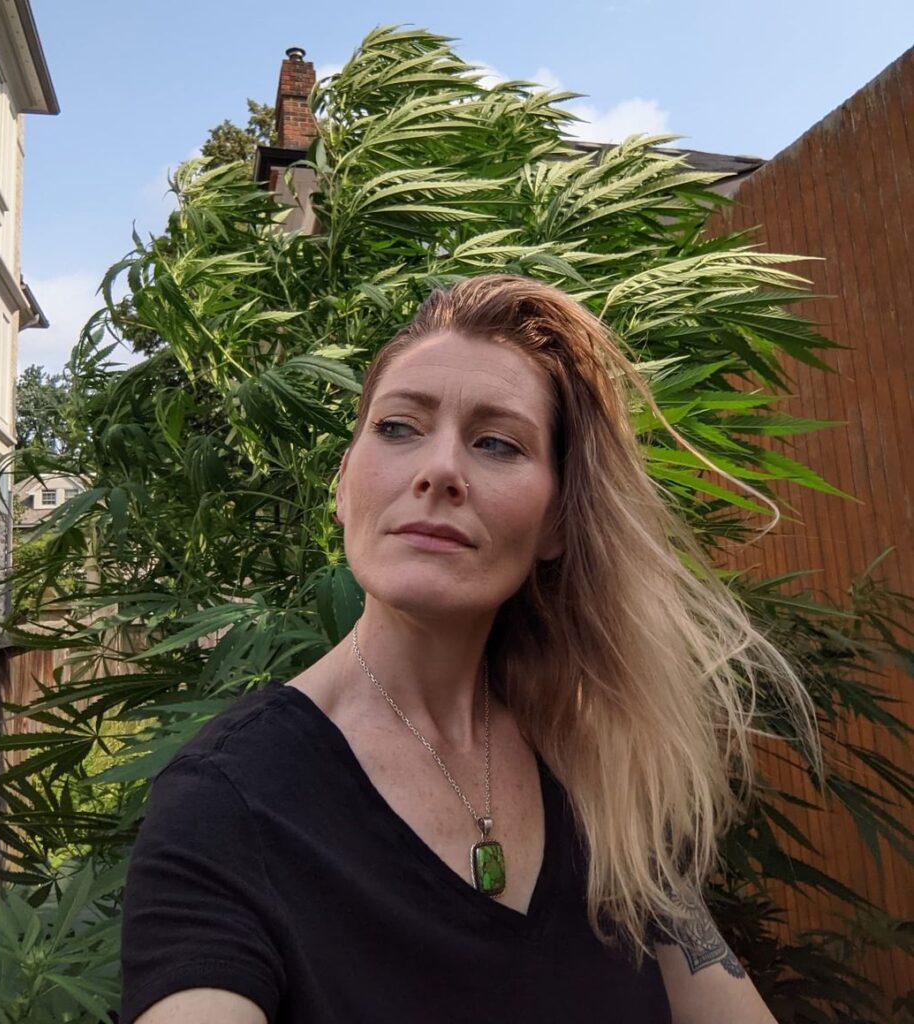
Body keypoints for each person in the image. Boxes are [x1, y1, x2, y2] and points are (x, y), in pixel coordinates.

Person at [119, 274, 816, 1023]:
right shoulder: (226, 804)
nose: (440, 470)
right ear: (345, 484)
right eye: (397, 427)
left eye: (496, 442)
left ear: (555, 523)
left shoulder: (595, 766)